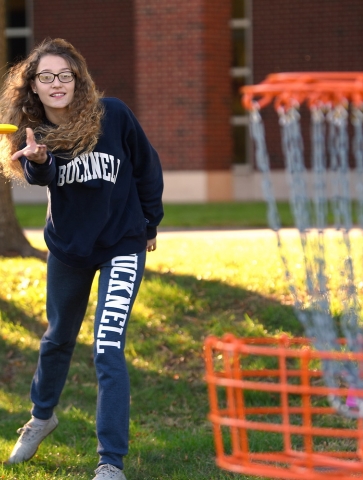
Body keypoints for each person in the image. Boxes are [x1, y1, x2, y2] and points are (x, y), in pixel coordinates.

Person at [0, 38, 164, 480]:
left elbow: (147, 167)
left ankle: (110, 462)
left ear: (78, 79)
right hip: (69, 250)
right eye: (46, 77)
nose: (57, 84)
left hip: (122, 244)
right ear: (33, 85)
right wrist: (36, 161)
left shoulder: (114, 116)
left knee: (107, 348)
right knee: (57, 339)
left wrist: (150, 224)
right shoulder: (36, 132)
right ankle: (41, 417)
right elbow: (44, 171)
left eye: (65, 75)